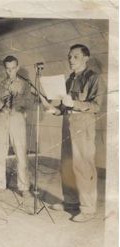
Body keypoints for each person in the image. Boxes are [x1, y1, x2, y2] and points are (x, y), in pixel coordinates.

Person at [49, 44, 105, 222]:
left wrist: (74, 104)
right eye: (69, 57)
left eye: (75, 56)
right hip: (68, 123)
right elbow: (65, 106)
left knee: (83, 166)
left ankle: (88, 209)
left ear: (86, 58)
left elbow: (96, 106)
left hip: (83, 124)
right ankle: (70, 202)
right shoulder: (69, 79)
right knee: (67, 165)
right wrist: (56, 110)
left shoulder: (94, 78)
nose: (71, 60)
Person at [0, 55, 32, 197]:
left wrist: (18, 100)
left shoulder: (25, 84)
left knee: (21, 154)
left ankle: (24, 187)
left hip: (17, 119)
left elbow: (29, 103)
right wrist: (2, 104)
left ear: (17, 67)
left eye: (13, 68)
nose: (11, 71)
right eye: (8, 69)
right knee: (1, 153)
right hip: (3, 120)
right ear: (5, 69)